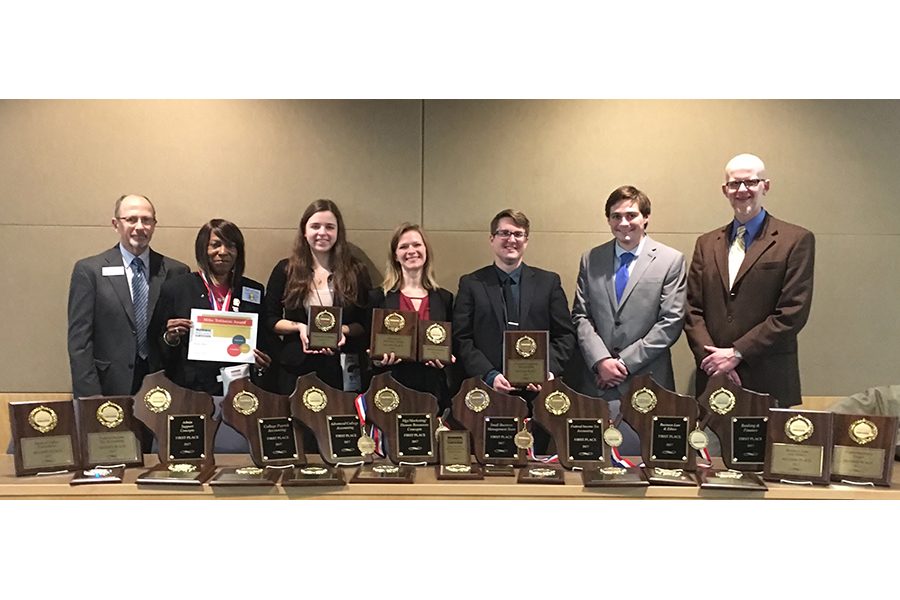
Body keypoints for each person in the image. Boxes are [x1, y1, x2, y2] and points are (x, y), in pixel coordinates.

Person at [685, 153, 815, 407]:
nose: (742, 190)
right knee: (710, 447)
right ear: (725, 190)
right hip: (713, 380)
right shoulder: (706, 243)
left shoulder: (796, 240)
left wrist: (736, 353)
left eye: (751, 182)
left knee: (765, 448)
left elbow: (792, 313)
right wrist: (715, 362)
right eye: (734, 184)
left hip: (768, 380)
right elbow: (692, 310)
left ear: (765, 186)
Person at [67, 194, 190, 399]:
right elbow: (80, 342)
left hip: (162, 386)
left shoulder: (176, 271)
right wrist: (90, 398)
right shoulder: (90, 271)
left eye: (146, 220)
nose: (140, 227)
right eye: (131, 219)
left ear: (154, 224)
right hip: (108, 385)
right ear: (116, 224)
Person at [572, 185, 687, 399]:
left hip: (648, 381)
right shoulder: (591, 259)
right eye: (616, 216)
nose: (623, 223)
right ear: (608, 220)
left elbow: (671, 321)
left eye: (631, 215)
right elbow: (581, 315)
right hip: (598, 381)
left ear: (646, 218)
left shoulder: (670, 260)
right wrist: (601, 361)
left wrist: (624, 363)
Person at [453, 208, 576, 396]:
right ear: (491, 239)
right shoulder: (471, 284)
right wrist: (489, 375)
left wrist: (547, 371)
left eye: (518, 234)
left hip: (539, 394)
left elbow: (565, 335)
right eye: (504, 233)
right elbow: (462, 338)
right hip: (486, 391)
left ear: (526, 240)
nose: (511, 240)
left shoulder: (549, 282)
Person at [150, 219, 273, 395]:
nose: (223, 252)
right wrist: (170, 337)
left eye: (230, 246)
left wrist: (263, 362)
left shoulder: (253, 290)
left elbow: (264, 341)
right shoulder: (177, 288)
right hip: (190, 389)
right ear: (203, 249)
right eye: (215, 245)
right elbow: (155, 342)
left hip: (240, 389)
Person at [265, 199, 372, 395]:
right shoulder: (285, 270)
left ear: (338, 232)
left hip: (340, 369)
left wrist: (341, 330)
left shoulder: (356, 271)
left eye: (330, 227)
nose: (322, 232)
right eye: (315, 226)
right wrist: (299, 327)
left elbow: (364, 323)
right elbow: (270, 319)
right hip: (295, 368)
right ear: (304, 231)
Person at [367, 223, 455, 412]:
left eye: (417, 245)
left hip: (432, 390)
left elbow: (450, 342)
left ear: (426, 251)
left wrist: (447, 359)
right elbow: (366, 348)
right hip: (391, 389)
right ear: (395, 256)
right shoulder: (378, 297)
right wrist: (377, 360)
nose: (411, 251)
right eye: (403, 247)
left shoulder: (444, 298)